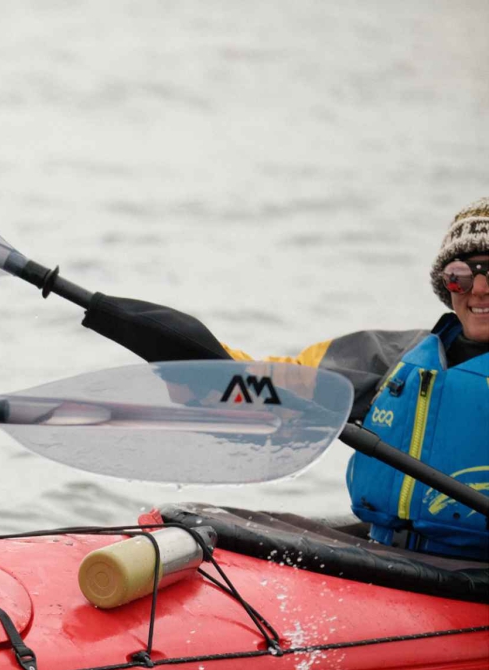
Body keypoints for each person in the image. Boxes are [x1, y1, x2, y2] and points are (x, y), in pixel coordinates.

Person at [81, 198, 488, 560]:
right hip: (388, 552)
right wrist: (194, 362)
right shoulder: (393, 356)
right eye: (462, 274)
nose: (479, 290)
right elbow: (278, 384)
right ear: (445, 283)